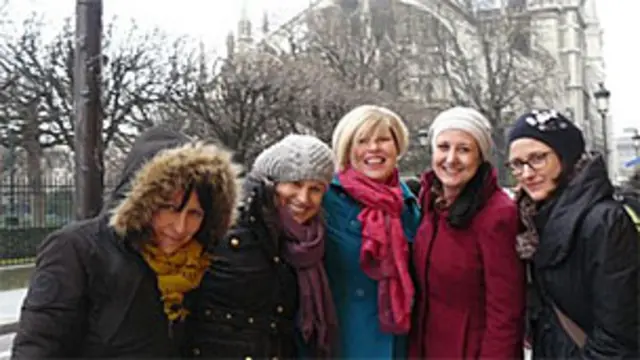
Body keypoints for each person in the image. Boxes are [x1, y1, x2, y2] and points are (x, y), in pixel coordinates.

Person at [11, 127, 240, 358]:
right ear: (143, 202)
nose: (180, 227)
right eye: (169, 208)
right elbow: (37, 347)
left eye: (195, 214)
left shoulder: (199, 264)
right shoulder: (77, 250)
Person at [185, 134, 337, 359]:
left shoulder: (308, 243)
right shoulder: (225, 224)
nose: (304, 198)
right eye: (295, 183)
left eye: (315, 189)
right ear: (271, 182)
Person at [507, 109, 639, 359]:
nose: (526, 173)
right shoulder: (533, 221)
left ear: (565, 157)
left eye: (537, 158)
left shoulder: (604, 222)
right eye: (517, 164)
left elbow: (618, 337)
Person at [408, 106, 525, 359]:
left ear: (480, 157)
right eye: (443, 147)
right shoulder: (429, 203)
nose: (451, 159)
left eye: (464, 149)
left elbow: (505, 311)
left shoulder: (497, 214)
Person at [322, 105, 421, 359]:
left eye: (383, 140)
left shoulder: (410, 206)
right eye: (362, 141)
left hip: (400, 343)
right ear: (347, 149)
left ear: (397, 146)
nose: (374, 148)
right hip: (343, 342)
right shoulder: (324, 201)